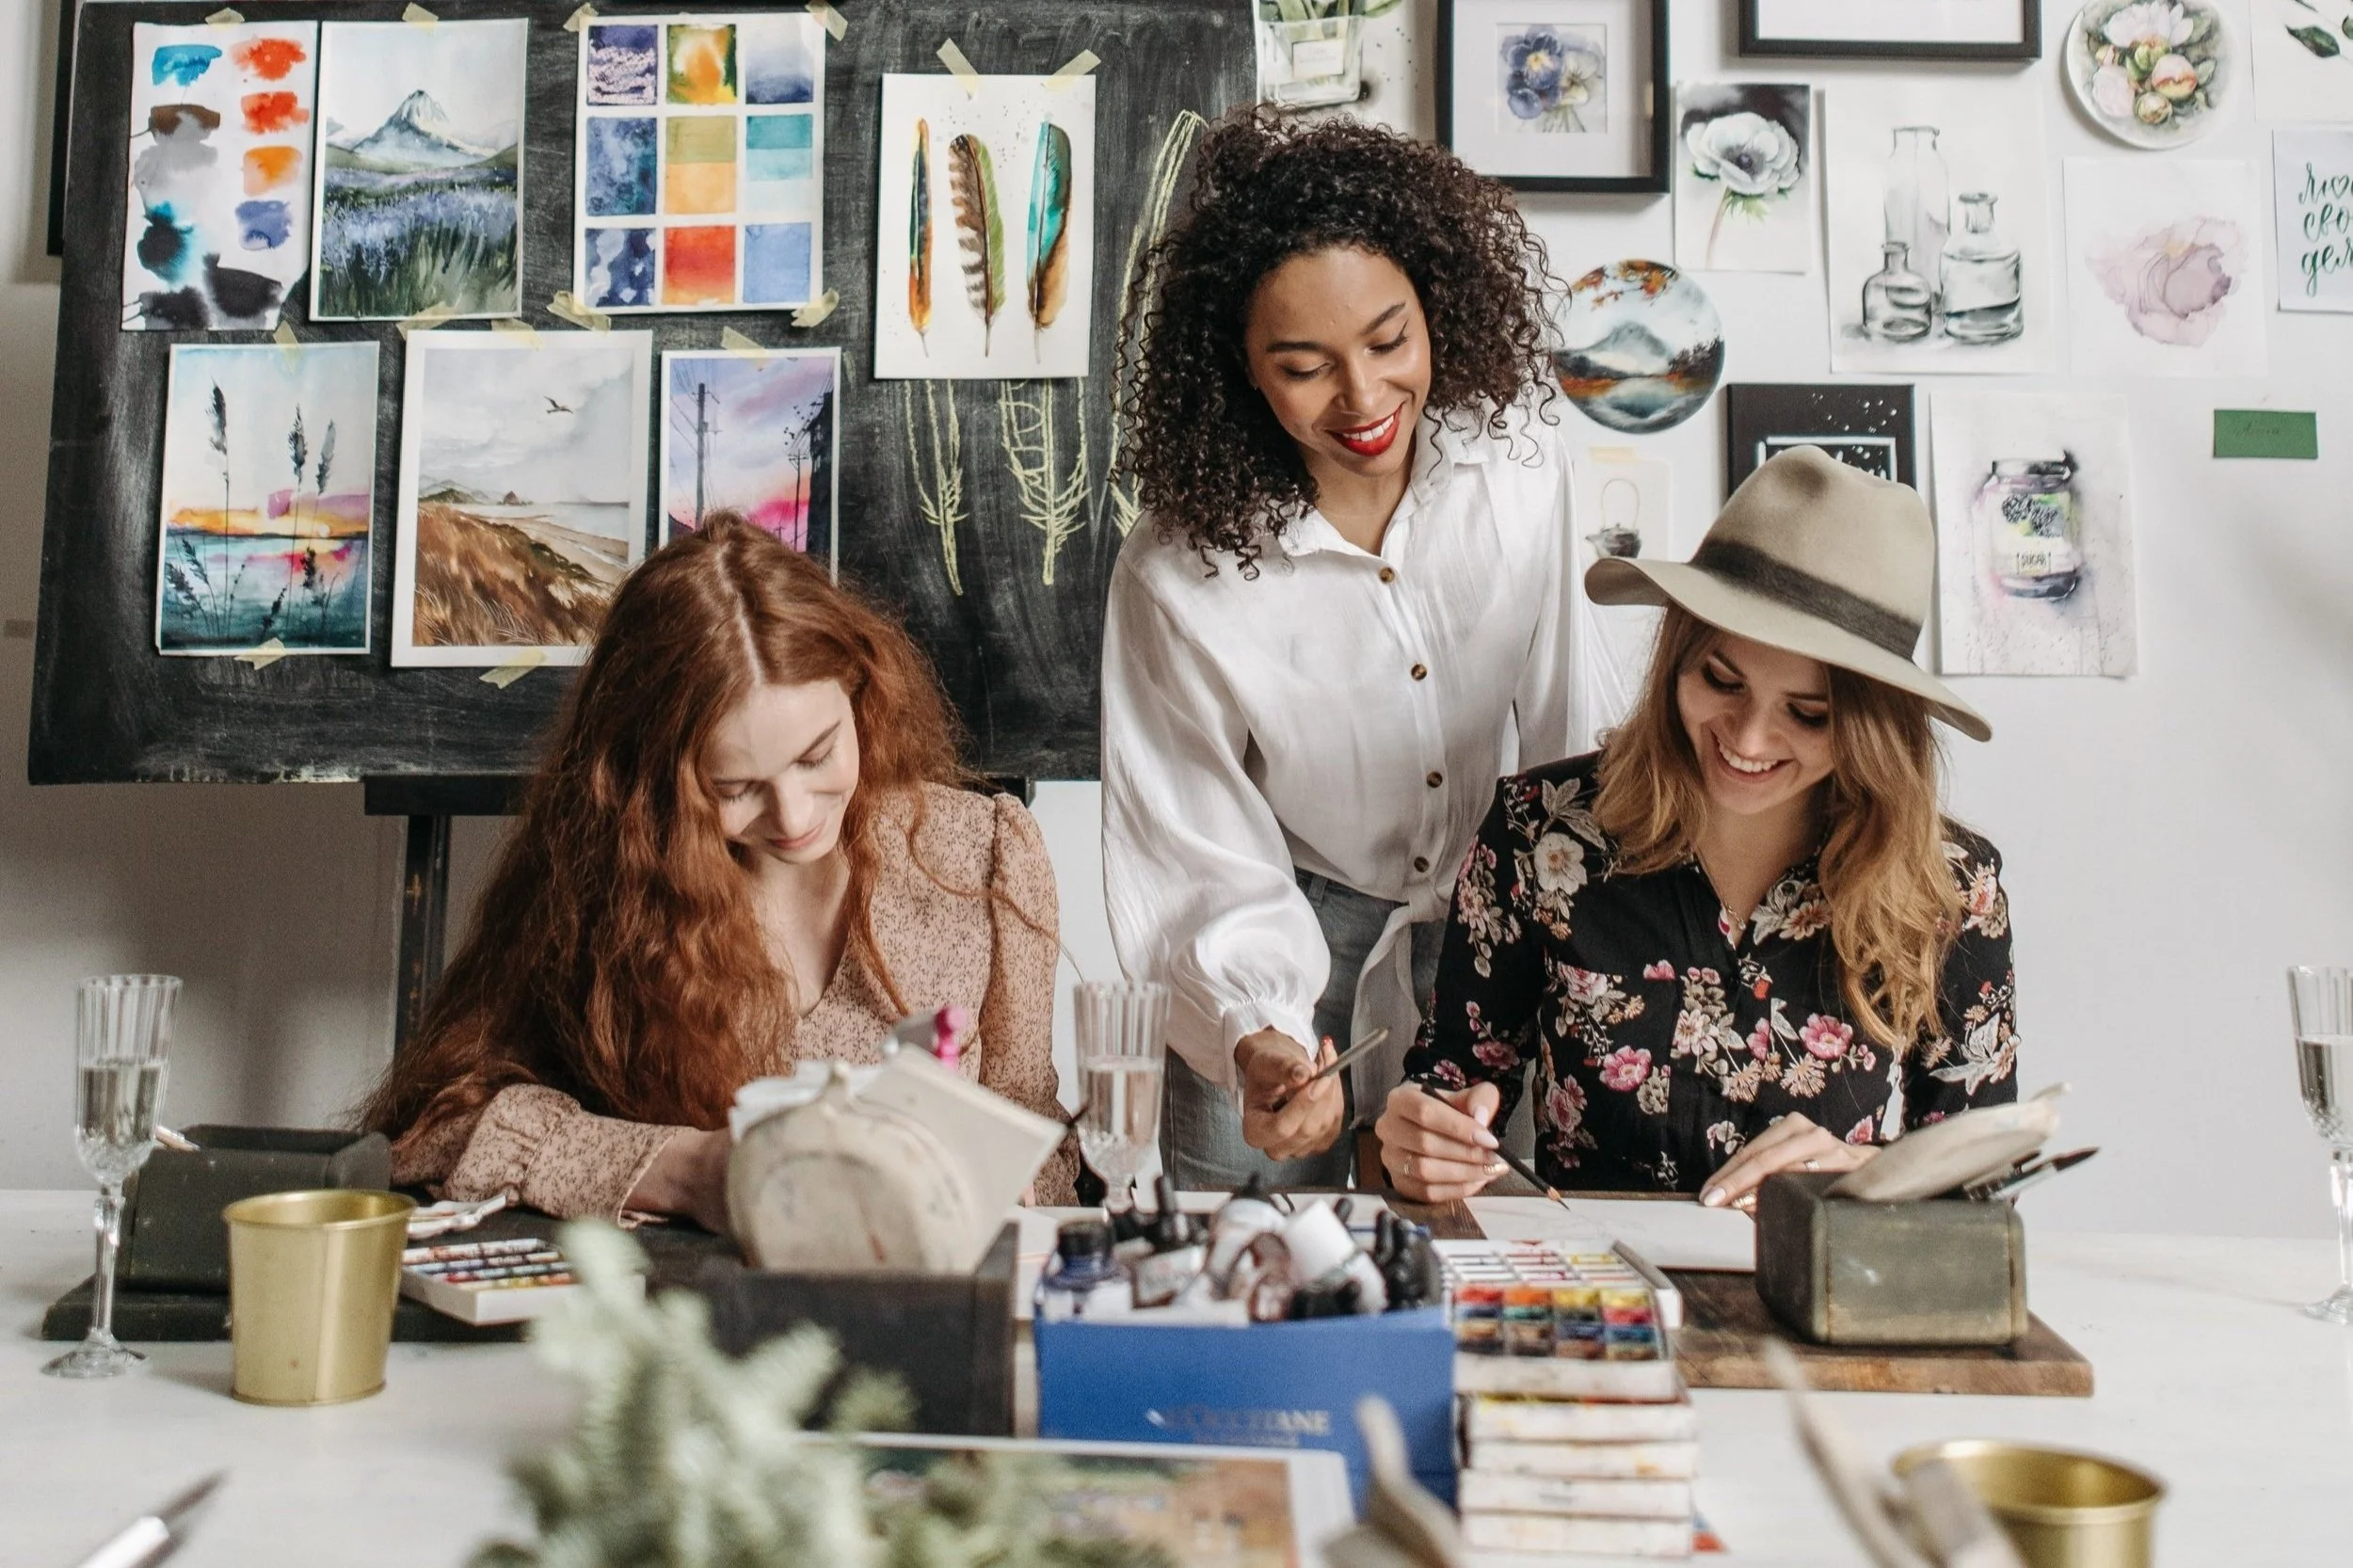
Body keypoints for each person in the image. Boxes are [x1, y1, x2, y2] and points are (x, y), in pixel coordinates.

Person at [1102, 107, 1589, 1190]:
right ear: (1240, 370)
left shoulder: (1520, 464)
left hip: (1490, 929)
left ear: (1437, 306)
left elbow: (1567, 733)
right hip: (1276, 931)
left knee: (1469, 1279)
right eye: (1303, 366)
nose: (1365, 399)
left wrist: (1565, 950)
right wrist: (1258, 1030)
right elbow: (1194, 847)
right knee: (1238, 1279)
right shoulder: (1176, 574)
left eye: (1387, 340)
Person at [361, 515, 1076, 1226]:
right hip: (687, 1320)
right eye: (734, 790)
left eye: (818, 754)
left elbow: (1041, 1142)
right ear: (657, 786)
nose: (795, 817)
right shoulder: (613, 876)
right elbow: (432, 1132)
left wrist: (1012, 1179)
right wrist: (690, 1170)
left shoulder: (983, 857)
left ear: (860, 688)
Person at [1377, 447, 2021, 1210]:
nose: (1747, 740)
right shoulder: (1538, 833)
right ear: (1677, 657)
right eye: (1721, 681)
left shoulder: (1949, 885)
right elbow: (1449, 1085)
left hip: (1827, 1302)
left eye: (1807, 715)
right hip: (1603, 1297)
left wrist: (1859, 1176)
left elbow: (1982, 1184)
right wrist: (1425, 1139)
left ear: (1873, 728)